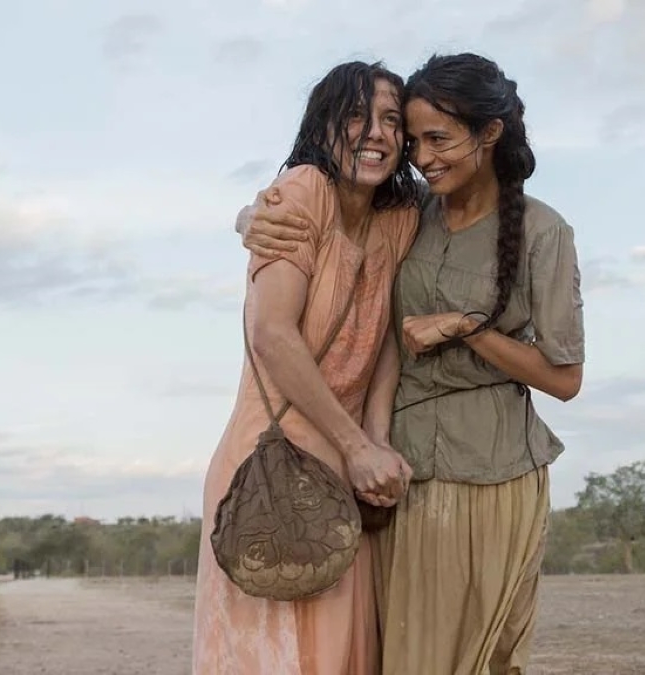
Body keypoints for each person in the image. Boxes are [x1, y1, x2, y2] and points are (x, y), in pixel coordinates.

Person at [239, 53, 585, 675]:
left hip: (492, 471)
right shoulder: (407, 214)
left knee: (478, 659)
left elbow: (565, 379)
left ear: (490, 133)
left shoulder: (542, 231)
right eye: (415, 139)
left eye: (438, 139)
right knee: (390, 655)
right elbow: (324, 216)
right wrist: (251, 218)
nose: (421, 156)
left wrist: (466, 329)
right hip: (395, 474)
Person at [192, 60, 422, 675]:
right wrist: (356, 446)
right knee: (276, 657)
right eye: (356, 116)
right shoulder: (303, 191)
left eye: (391, 121)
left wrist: (374, 442)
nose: (375, 132)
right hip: (270, 460)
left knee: (342, 654)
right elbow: (271, 333)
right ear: (323, 127)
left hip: (347, 468)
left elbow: (385, 346)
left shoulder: (400, 218)